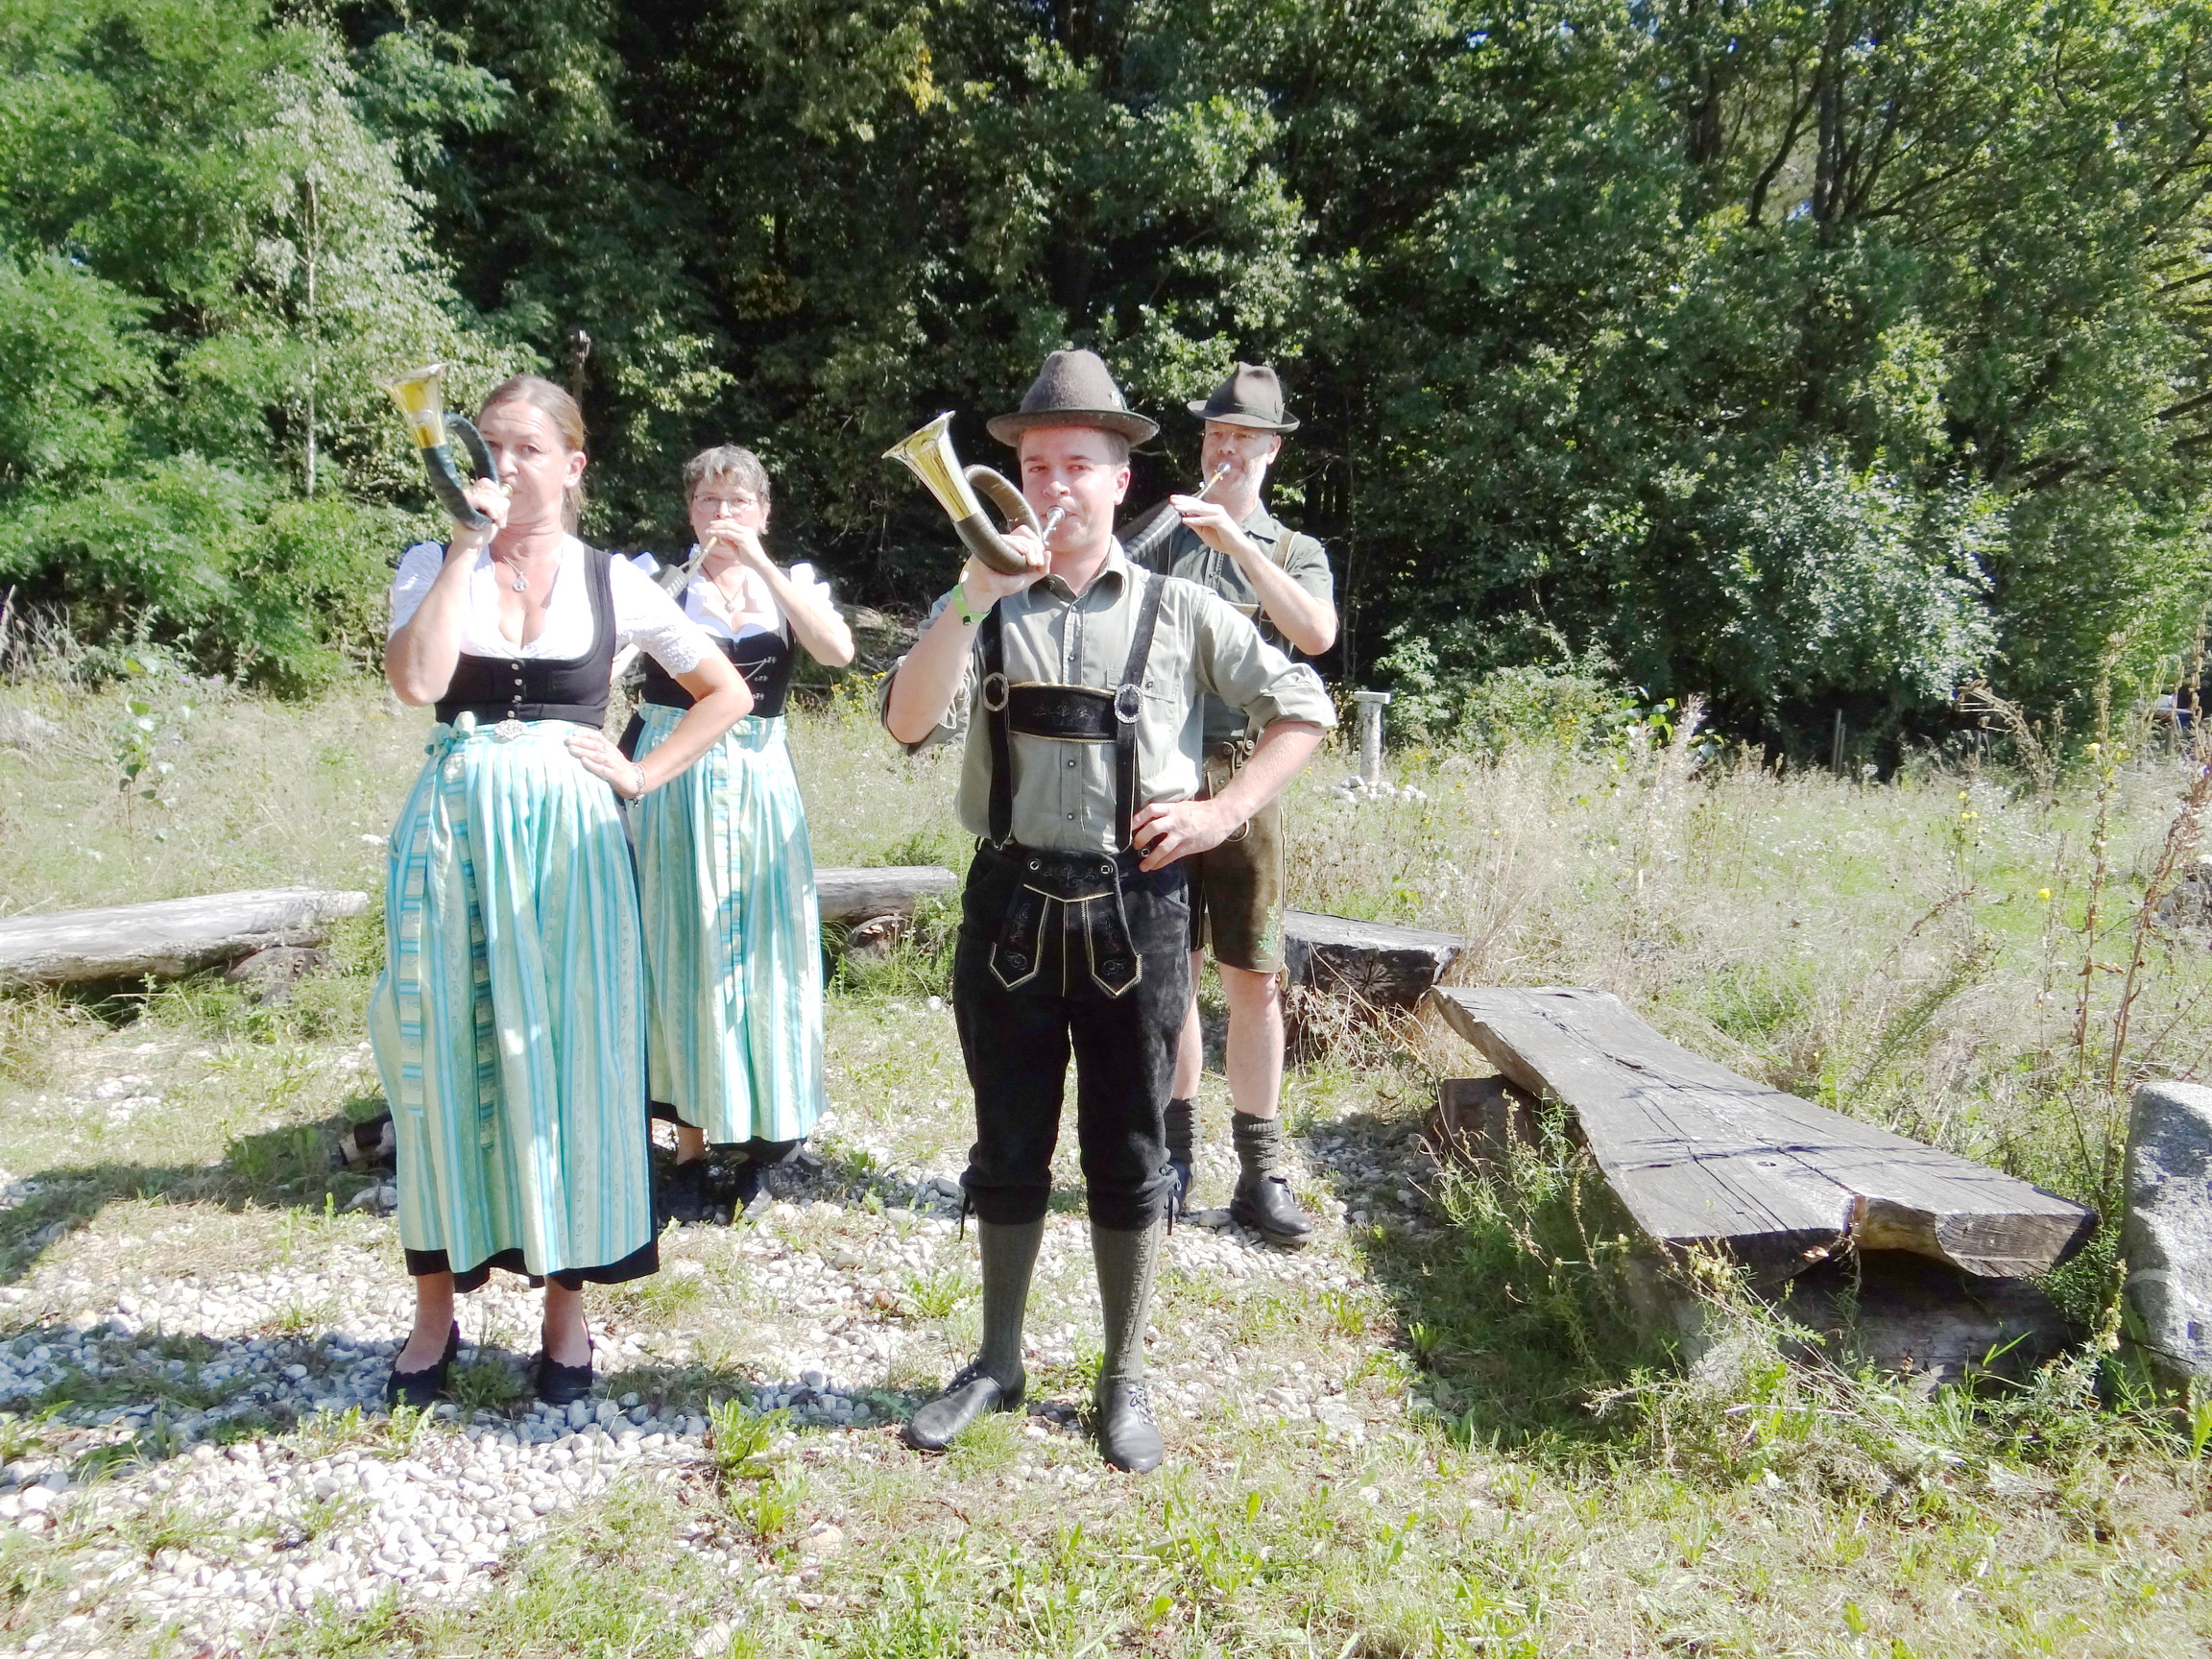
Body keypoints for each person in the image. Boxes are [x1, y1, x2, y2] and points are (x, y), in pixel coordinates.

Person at [881, 349, 1335, 1472]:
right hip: (1009, 906)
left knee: (1131, 1147)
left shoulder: (1183, 608)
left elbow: (1305, 703)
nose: (1054, 486)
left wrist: (1224, 811)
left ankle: (1122, 1375)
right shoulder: (981, 601)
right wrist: (967, 597)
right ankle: (996, 1361)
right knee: (1007, 1141)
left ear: (1120, 479)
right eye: (1036, 465)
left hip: (1138, 912)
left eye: (1077, 464)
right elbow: (904, 721)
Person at [372, 375, 751, 1408]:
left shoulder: (612, 580)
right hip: (454, 829)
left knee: (577, 1058)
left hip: (574, 842)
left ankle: (565, 1312)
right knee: (439, 1056)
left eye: (526, 448)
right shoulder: (432, 563)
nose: (503, 464)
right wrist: (466, 544)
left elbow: (725, 691)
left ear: (573, 465)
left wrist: (643, 771)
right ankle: (435, 1313)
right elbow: (416, 682)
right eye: (488, 445)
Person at [1136, 363, 1336, 1246]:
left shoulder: (1292, 550)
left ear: (1272, 451)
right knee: (1171, 973)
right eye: (1215, 434)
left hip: (1249, 777)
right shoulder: (1163, 537)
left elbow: (1317, 635)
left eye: (1242, 439)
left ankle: (1262, 1172)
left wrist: (1240, 546)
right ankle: (1172, 1158)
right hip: (1161, 773)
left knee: (1252, 978)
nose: (1223, 450)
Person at [627, 445, 854, 1221]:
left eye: (738, 502)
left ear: (763, 510)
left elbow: (837, 652)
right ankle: (688, 1149)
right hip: (676, 776)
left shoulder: (791, 585)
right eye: (708, 502)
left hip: (759, 779)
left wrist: (761, 565)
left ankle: (765, 1142)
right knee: (679, 946)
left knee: (768, 948)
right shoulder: (661, 581)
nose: (722, 515)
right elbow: (609, 660)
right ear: (690, 511)